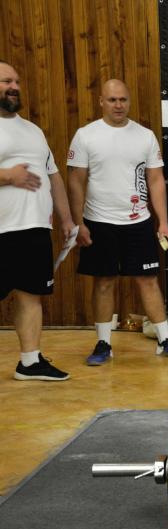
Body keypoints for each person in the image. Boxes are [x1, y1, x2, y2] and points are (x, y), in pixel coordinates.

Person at [67, 79, 168, 365]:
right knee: (104, 282)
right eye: (112, 100)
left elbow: (156, 180)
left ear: (129, 101)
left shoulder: (145, 136)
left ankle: (165, 339)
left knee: (148, 280)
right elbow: (75, 181)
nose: (118, 105)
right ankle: (103, 344)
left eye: (123, 99)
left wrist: (163, 222)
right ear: (101, 102)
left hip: (138, 223)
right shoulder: (85, 136)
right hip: (99, 221)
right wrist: (78, 223)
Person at [0, 60, 75, 381]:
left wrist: (67, 220)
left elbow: (53, 176)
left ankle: (29, 362)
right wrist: (7, 176)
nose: (14, 87)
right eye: (6, 81)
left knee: (30, 294)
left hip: (34, 228)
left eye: (16, 81)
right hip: (2, 229)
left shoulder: (33, 131)